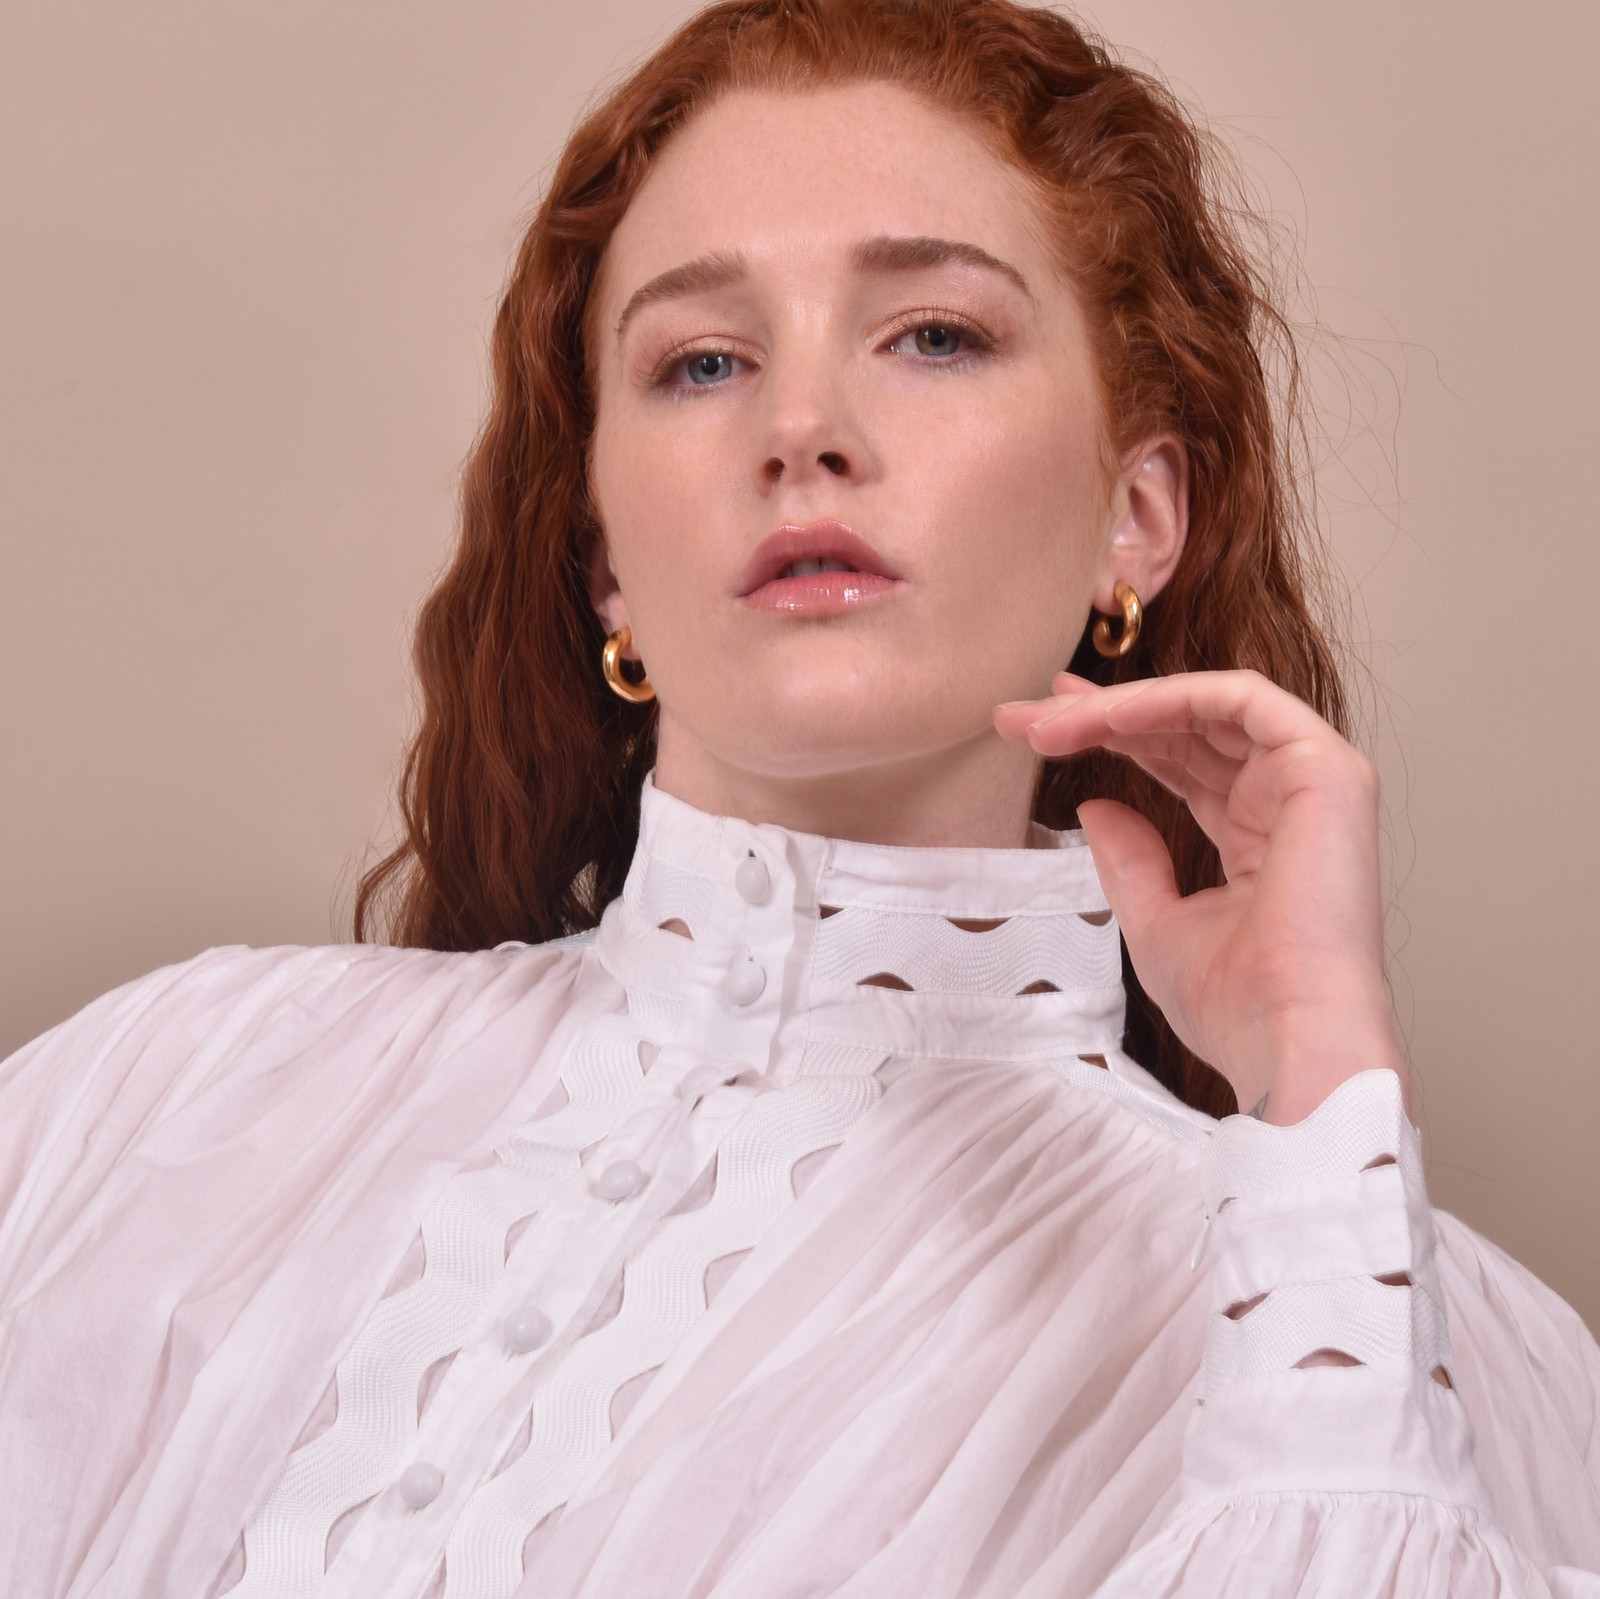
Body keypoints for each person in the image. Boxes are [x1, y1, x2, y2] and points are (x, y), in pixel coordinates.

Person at [2, 0, 1597, 1593]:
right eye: (703, 362)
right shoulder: (169, 1094)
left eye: (935, 337)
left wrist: (1318, 1091)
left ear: (1139, 516)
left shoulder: (1387, 1336)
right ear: (606, 566)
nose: (802, 432)